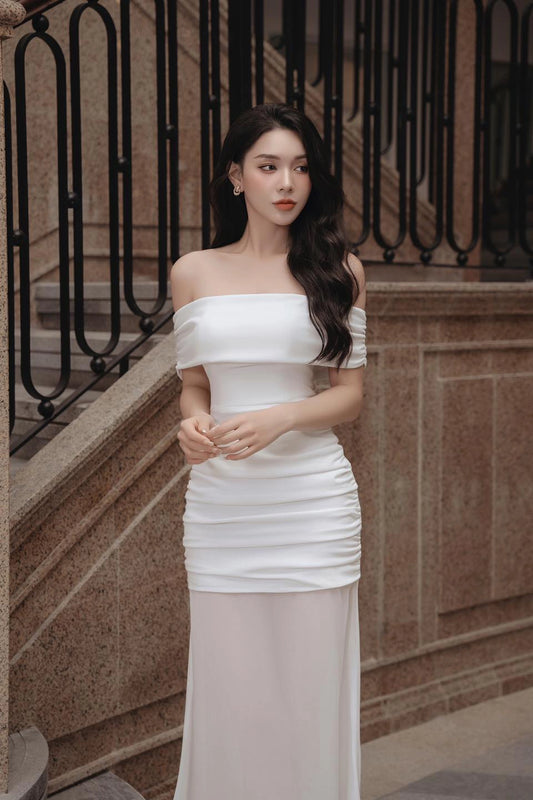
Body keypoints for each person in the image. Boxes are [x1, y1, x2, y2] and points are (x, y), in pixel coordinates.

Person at [170, 102, 367, 800]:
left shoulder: (336, 268)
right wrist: (190, 425)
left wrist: (284, 416)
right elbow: (194, 387)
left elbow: (348, 395)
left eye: (301, 166)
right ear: (235, 178)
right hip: (224, 507)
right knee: (235, 688)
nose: (288, 182)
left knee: (308, 691)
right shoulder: (192, 272)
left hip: (311, 502)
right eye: (268, 166)